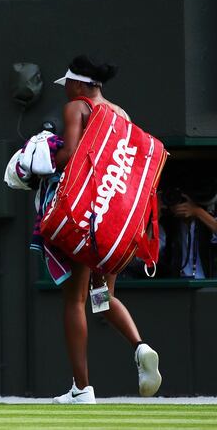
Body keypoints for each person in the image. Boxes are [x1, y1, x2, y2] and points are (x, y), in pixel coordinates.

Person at [50, 55, 162, 404]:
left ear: (80, 84)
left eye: (67, 84)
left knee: (75, 300)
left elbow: (69, 154)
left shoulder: (77, 109)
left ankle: (81, 388)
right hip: (114, 226)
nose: (65, 91)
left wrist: (36, 157)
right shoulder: (121, 114)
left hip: (85, 221)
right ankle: (140, 346)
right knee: (103, 298)